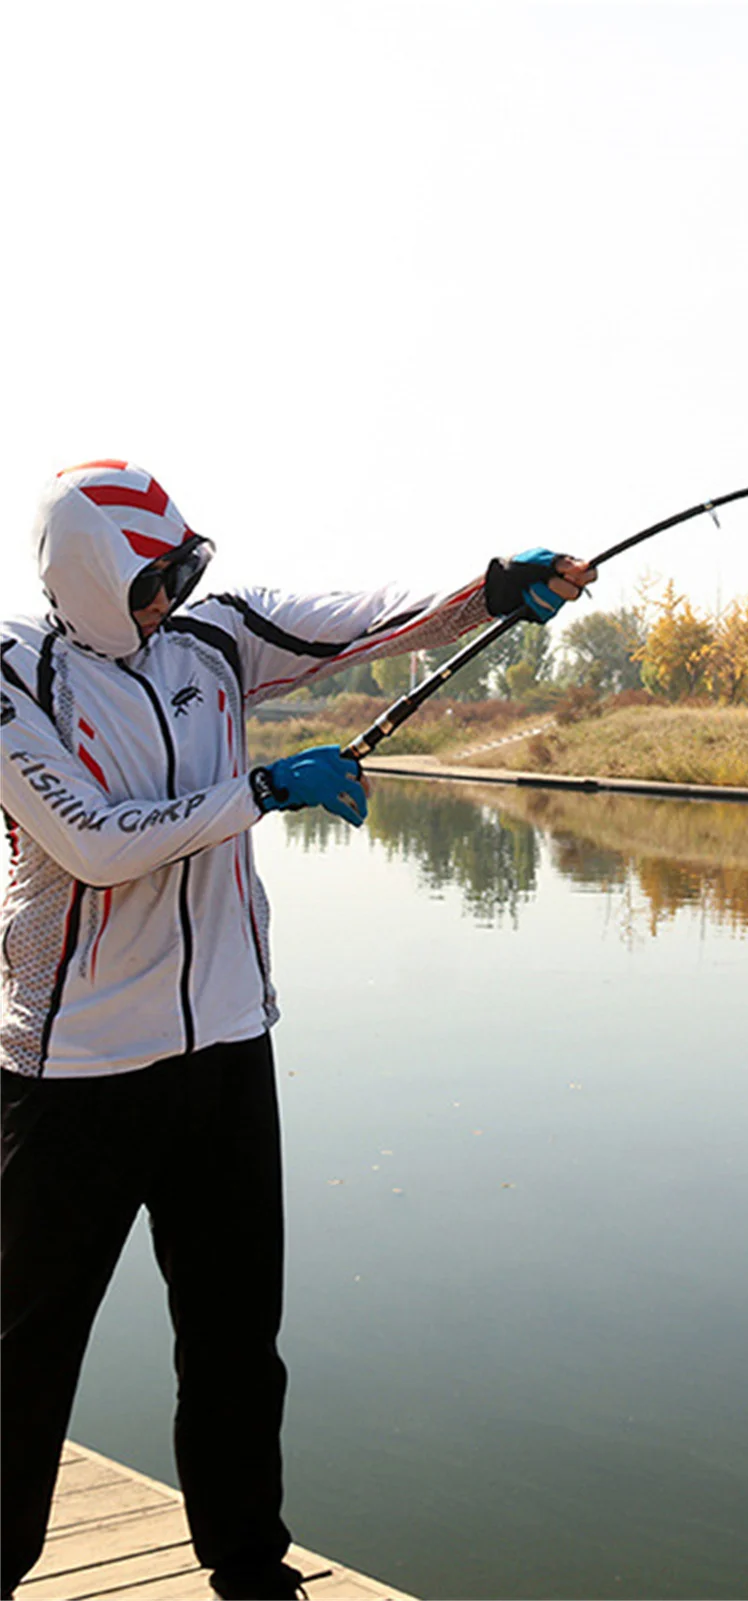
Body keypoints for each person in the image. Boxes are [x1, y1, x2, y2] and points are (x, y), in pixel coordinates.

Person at [0, 460, 595, 1599]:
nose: (168, 603)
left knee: (235, 1342)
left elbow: (364, 622)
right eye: (146, 584)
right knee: (23, 1355)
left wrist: (484, 590)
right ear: (84, 580)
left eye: (179, 575)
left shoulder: (214, 639)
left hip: (226, 1046)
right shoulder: (13, 675)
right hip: (73, 1064)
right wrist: (263, 791)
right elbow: (95, 844)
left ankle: (250, 1568)